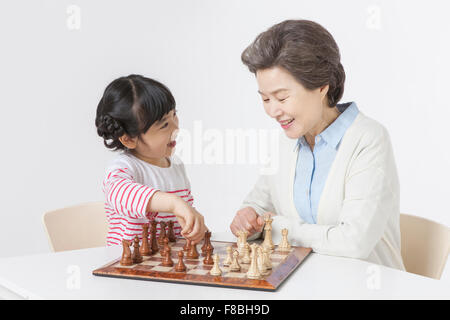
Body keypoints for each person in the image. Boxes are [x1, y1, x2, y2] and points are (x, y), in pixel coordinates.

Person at [230, 20, 405, 270]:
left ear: (322, 86)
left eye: (281, 97)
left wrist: (277, 227)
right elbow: (259, 205)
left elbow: (354, 243)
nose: (272, 111)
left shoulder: (368, 140)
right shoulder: (287, 140)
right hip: (304, 285)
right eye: (265, 99)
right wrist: (246, 216)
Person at [95, 74, 207, 246]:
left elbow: (183, 214)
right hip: (128, 264)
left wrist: (194, 225)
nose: (176, 127)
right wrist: (174, 203)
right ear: (129, 139)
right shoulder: (124, 167)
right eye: (164, 125)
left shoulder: (175, 165)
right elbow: (119, 193)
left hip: (167, 263)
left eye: (174, 115)